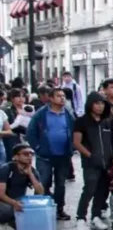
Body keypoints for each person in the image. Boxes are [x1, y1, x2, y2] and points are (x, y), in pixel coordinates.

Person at [25, 88, 76, 222]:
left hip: (63, 155)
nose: (62, 98)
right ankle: (39, 209)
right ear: (51, 98)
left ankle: (59, 209)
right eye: (58, 96)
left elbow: (75, 131)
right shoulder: (41, 114)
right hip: (45, 156)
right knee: (44, 182)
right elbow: (30, 132)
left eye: (63, 96)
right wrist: (37, 148)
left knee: (61, 184)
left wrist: (72, 146)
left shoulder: (68, 114)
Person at [0, 145, 44, 230]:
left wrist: (30, 175)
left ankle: (10, 222)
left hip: (17, 200)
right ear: (16, 157)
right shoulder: (6, 169)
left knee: (30, 209)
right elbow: (0, 194)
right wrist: (14, 203)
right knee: (8, 210)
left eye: (31, 153)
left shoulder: (32, 170)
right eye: (26, 154)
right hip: (3, 201)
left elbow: (40, 192)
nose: (30, 156)